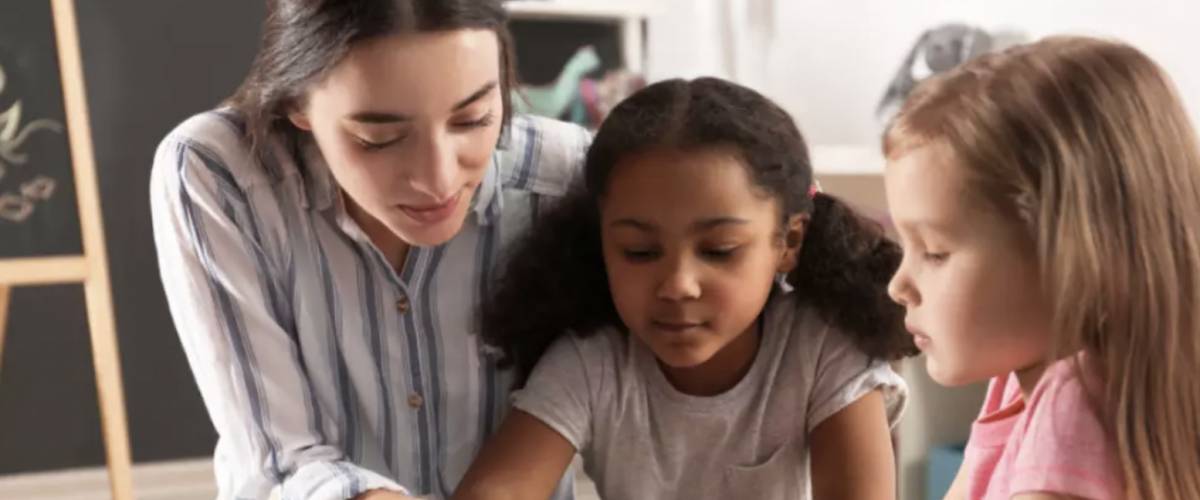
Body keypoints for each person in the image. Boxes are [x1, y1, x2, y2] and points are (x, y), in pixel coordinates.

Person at [149, 1, 590, 498]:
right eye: (379, 138)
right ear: (297, 103)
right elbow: (281, 458)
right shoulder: (222, 175)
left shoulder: (568, 176)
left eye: (473, 119)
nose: (438, 179)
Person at [453, 77, 915, 500]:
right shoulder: (592, 363)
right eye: (639, 251)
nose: (677, 285)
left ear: (788, 242)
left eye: (718, 250)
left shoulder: (821, 346)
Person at [885, 36, 1200, 499]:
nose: (899, 286)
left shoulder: (1072, 413)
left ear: (1077, 256)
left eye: (934, 252)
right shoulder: (1023, 385)